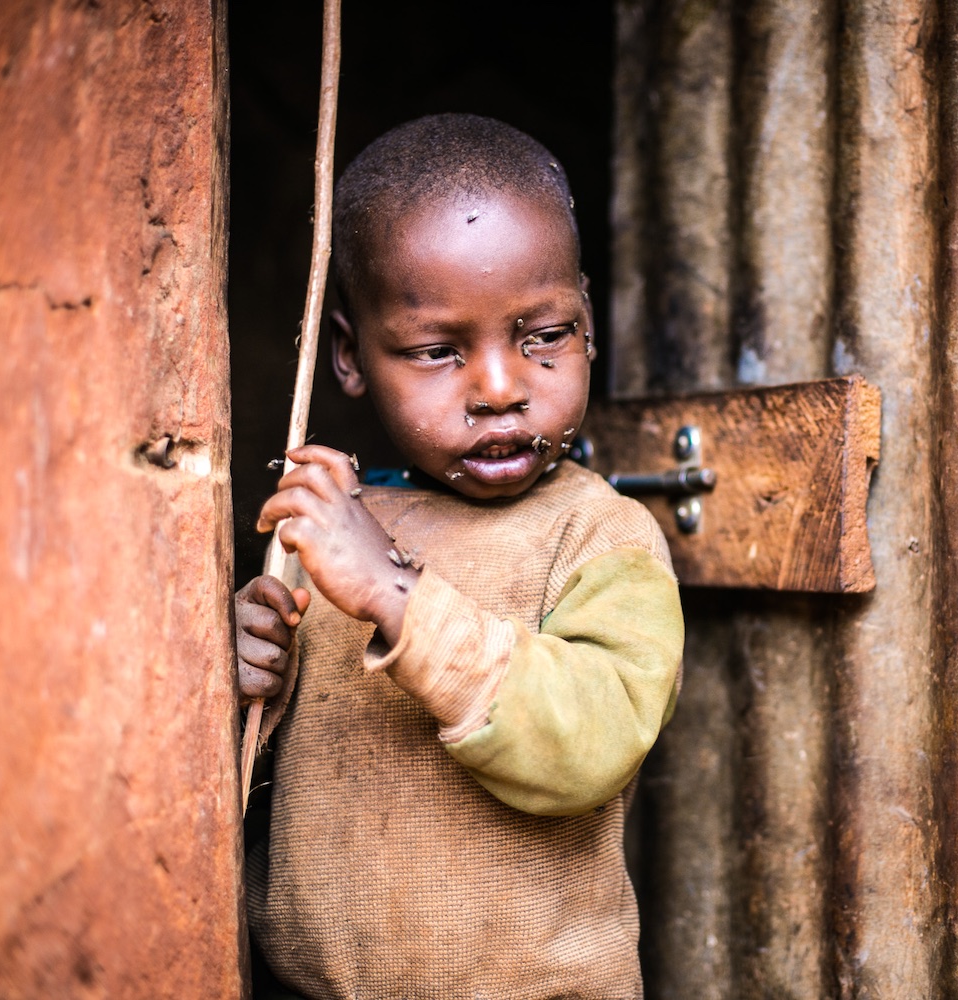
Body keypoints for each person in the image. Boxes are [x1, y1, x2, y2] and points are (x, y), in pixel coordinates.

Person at [235, 114, 684, 1000]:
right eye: (439, 351)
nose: (500, 388)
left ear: (589, 324)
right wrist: (247, 669)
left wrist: (400, 595)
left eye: (543, 335)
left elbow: (594, 740)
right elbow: (247, 782)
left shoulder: (602, 537)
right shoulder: (326, 533)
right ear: (349, 356)